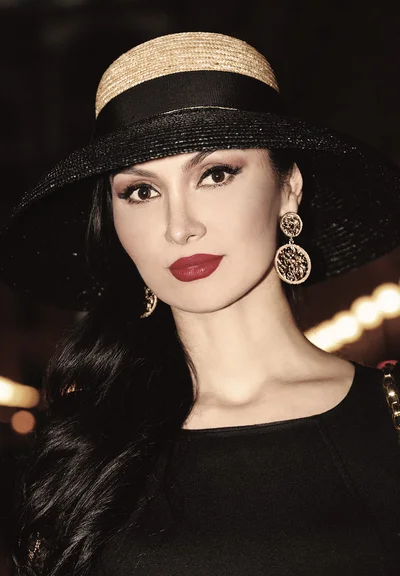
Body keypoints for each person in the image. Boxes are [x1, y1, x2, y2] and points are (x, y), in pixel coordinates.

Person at [2, 32, 400, 576]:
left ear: (289, 188)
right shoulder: (80, 451)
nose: (179, 226)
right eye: (141, 191)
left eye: (215, 174)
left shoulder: (391, 416)